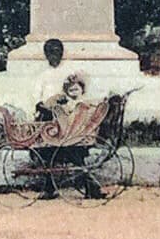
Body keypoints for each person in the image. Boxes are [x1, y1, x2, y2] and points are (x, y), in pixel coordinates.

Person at [31, 71, 105, 199]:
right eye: (70, 90)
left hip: (73, 138)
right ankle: (90, 188)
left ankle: (51, 189)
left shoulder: (81, 104)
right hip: (72, 137)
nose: (73, 91)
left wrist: (51, 109)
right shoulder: (70, 102)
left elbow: (67, 117)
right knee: (69, 159)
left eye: (76, 89)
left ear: (82, 89)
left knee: (51, 154)